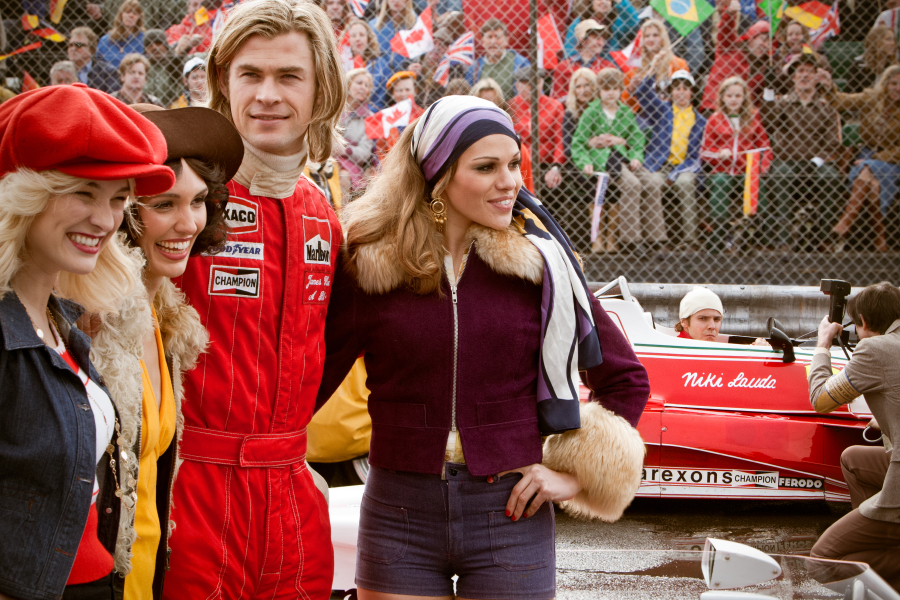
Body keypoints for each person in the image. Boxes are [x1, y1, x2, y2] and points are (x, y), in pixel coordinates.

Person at [317, 94, 650, 600]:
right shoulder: (370, 264)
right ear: (438, 176)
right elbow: (310, 377)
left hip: (510, 515)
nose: (510, 181)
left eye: (514, 164)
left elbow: (625, 379)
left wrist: (574, 479)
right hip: (397, 513)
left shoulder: (543, 267)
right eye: (487, 167)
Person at [160, 1, 345, 597]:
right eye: (250, 74)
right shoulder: (180, 202)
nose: (268, 95)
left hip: (294, 494)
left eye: (288, 76)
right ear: (223, 81)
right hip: (191, 491)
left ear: (321, 89)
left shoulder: (323, 216)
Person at [57, 104, 243, 600]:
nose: (188, 223)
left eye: (199, 201)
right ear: (121, 213)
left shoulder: (166, 317)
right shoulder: (87, 321)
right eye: (164, 204)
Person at [0, 83, 175, 600]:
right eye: (83, 193)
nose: (105, 220)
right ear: (24, 195)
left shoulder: (62, 323)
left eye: (119, 198)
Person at [809, 282, 900, 590]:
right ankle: (882, 544)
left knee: (822, 561)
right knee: (854, 460)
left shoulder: (875, 349)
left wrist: (823, 344)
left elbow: (821, 399)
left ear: (863, 321)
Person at [573, 68, 665, 254]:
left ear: (620, 90)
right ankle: (631, 239)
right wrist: (585, 162)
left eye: (615, 88)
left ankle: (654, 237)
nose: (611, 93)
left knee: (652, 183)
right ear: (599, 90)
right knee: (632, 184)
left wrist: (636, 156)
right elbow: (578, 143)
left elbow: (637, 139)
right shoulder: (591, 112)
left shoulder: (625, 112)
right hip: (603, 161)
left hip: (623, 158)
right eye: (606, 89)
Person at [759, 53, 842, 251]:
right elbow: (768, 121)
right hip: (786, 160)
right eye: (800, 71)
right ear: (794, 77)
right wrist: (769, 90)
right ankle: (783, 238)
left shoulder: (826, 108)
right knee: (780, 176)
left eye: (810, 72)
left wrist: (817, 161)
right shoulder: (783, 103)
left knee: (831, 177)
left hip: (815, 162)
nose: (805, 75)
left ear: (816, 77)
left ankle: (824, 238)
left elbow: (833, 142)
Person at [820, 65, 900, 253]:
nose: (897, 88)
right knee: (872, 185)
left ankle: (845, 223)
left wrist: (876, 158)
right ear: (885, 84)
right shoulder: (871, 98)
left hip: (892, 159)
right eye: (893, 83)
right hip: (867, 154)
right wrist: (829, 87)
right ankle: (879, 236)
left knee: (866, 169)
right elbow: (840, 102)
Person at [635, 70, 706, 249]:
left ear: (692, 92)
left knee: (685, 183)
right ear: (670, 92)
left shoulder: (700, 121)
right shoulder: (663, 111)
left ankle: (690, 240)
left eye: (685, 88)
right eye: (676, 88)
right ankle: (655, 240)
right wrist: (653, 71)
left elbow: (696, 156)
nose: (681, 92)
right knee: (653, 184)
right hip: (660, 166)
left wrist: (675, 174)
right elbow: (642, 93)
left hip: (685, 167)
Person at [700, 76, 771, 253]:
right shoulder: (714, 119)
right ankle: (718, 234)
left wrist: (761, 168)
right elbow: (705, 151)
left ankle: (758, 235)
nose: (733, 100)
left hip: (746, 171)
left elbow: (765, 147)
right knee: (720, 182)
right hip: (722, 170)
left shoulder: (752, 117)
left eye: (738, 96)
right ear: (722, 97)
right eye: (729, 95)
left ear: (744, 97)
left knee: (757, 185)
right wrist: (719, 154)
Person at [701, 0, 771, 112]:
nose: (766, 45)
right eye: (763, 39)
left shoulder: (764, 69)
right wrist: (730, 14)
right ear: (752, 37)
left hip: (741, 114)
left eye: (769, 43)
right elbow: (726, 29)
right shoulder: (730, 47)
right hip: (713, 107)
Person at [508, 67, 566, 195]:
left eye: (537, 82)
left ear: (542, 84)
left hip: (545, 164)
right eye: (527, 84)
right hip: (519, 163)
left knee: (554, 187)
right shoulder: (511, 106)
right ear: (517, 86)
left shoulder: (555, 106)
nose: (532, 87)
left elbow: (559, 139)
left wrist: (556, 166)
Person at [622, 19, 690, 117]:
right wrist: (631, 90)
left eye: (655, 35)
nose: (651, 39)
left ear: (663, 38)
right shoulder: (634, 67)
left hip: (671, 115)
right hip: (644, 116)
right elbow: (625, 104)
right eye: (647, 36)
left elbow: (687, 96)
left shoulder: (678, 64)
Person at [551, 20, 616, 101]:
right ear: (583, 40)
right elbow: (556, 98)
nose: (601, 43)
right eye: (597, 38)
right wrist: (576, 95)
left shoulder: (608, 67)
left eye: (603, 39)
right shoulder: (563, 66)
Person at [467, 18, 530, 101]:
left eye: (497, 37)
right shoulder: (475, 67)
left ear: (506, 40)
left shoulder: (520, 63)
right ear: (482, 41)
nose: (493, 41)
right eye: (489, 37)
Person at [338, 68, 377, 196]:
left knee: (343, 176)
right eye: (359, 83)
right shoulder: (334, 109)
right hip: (328, 158)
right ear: (348, 84)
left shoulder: (370, 118)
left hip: (351, 166)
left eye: (367, 85)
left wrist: (343, 149)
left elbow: (364, 153)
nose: (363, 87)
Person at [565, 0, 640, 56]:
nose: (604, 2)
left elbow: (633, 22)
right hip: (584, 66)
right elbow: (569, 49)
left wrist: (620, 2)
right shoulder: (579, 22)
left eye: (608, 0)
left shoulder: (615, 23)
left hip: (609, 67)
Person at [845, 26, 899, 95]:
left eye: (894, 40)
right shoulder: (859, 64)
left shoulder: (895, 66)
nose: (893, 43)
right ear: (876, 41)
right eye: (888, 39)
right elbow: (850, 93)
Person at [69, 26, 120, 93]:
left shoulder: (107, 72)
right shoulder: (62, 71)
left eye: (78, 45)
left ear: (91, 49)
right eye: (70, 45)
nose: (73, 49)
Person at [97, 0, 145, 69]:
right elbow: (98, 61)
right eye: (127, 12)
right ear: (121, 14)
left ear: (139, 17)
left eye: (135, 13)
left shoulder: (143, 39)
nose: (131, 15)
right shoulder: (106, 40)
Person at [143, 29, 181, 106]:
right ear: (146, 51)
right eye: (150, 44)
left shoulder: (177, 63)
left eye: (158, 43)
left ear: (166, 46)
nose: (154, 47)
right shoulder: (141, 69)